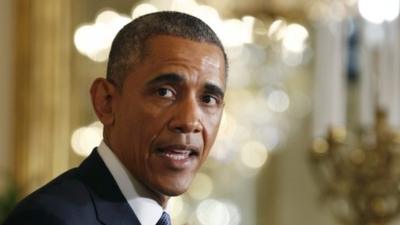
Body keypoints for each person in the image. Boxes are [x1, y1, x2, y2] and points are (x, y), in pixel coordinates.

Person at [2, 11, 227, 225]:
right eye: (164, 92)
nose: (189, 122)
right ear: (106, 102)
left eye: (208, 99)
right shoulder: (52, 219)